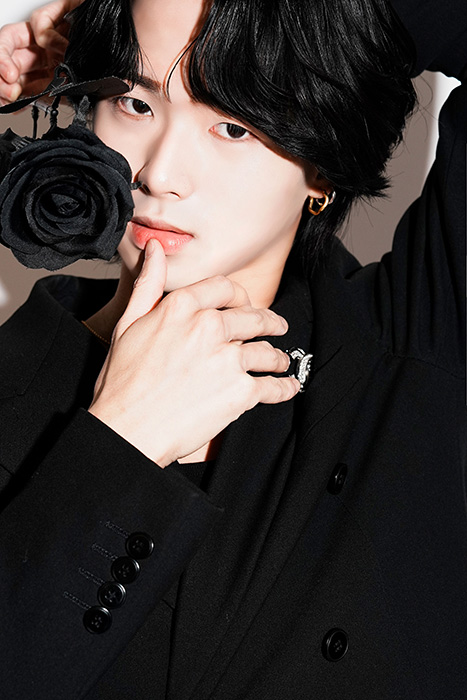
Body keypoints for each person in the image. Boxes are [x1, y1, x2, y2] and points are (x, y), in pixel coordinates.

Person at [0, 0, 465, 697]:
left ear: (322, 159)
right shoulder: (13, 385)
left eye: (232, 125)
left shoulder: (412, 340)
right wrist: (119, 445)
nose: (159, 173)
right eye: (135, 103)